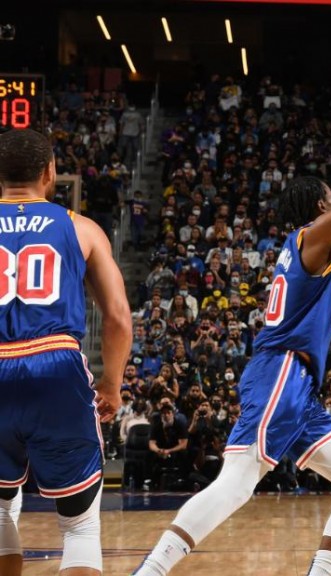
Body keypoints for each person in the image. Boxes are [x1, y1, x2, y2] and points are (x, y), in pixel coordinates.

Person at [133, 87, 331, 576]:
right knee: (236, 483)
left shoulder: (309, 241)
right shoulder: (315, 240)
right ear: (321, 203)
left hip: (300, 387)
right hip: (282, 373)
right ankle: (150, 571)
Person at [0, 129, 132, 576]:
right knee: (79, 526)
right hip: (54, 362)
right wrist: (111, 385)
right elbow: (117, 318)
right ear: (50, 171)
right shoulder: (82, 227)